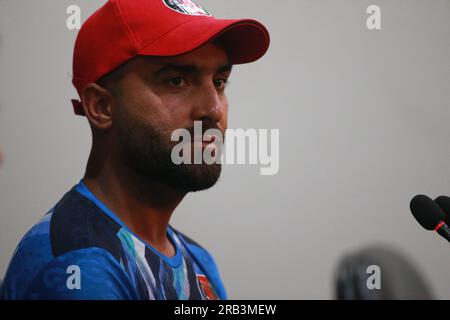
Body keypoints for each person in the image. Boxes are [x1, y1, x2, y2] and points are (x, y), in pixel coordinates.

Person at [0, 0, 269, 300]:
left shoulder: (199, 262)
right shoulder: (80, 265)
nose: (213, 109)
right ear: (101, 107)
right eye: (177, 81)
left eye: (219, 82)